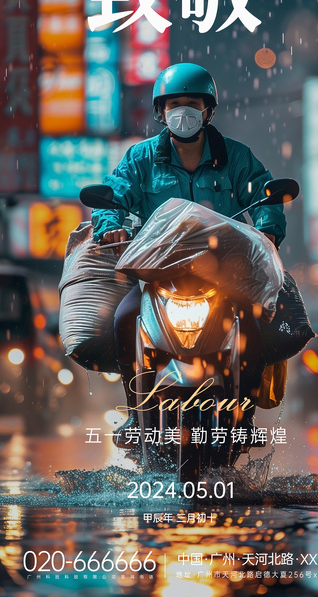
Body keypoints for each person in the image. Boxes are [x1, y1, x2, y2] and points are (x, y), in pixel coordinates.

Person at [91, 63, 306, 447]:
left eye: (192, 103)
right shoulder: (140, 159)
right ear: (160, 111)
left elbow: (264, 198)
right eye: (174, 104)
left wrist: (268, 227)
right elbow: (112, 197)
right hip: (159, 276)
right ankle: (135, 413)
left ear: (208, 110)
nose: (183, 112)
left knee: (255, 324)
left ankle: (244, 415)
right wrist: (110, 225)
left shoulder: (237, 158)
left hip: (223, 275)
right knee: (124, 318)